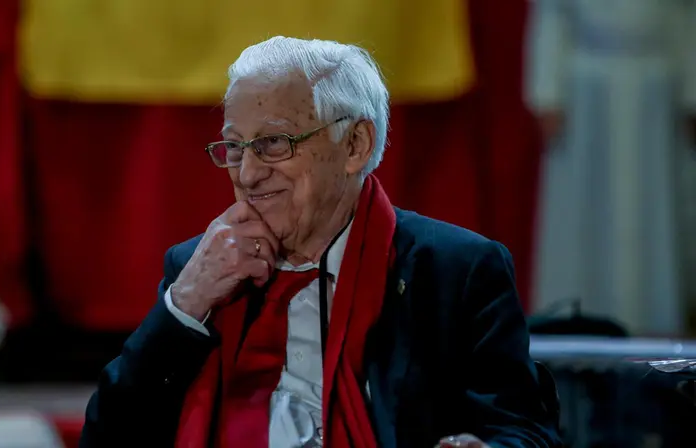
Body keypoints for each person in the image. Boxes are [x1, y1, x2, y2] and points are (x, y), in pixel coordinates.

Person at [80, 37, 561, 448]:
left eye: (273, 144)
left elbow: (523, 429)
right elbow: (108, 436)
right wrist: (183, 306)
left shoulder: (454, 271)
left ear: (355, 146)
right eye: (235, 147)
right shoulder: (197, 269)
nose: (247, 174)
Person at [527, 0, 696, 336]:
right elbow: (551, 12)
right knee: (583, 210)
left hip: (658, 85)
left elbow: (687, 14)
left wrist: (692, 94)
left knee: (657, 212)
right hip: (586, 88)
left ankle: (656, 323)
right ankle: (575, 322)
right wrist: (547, 91)